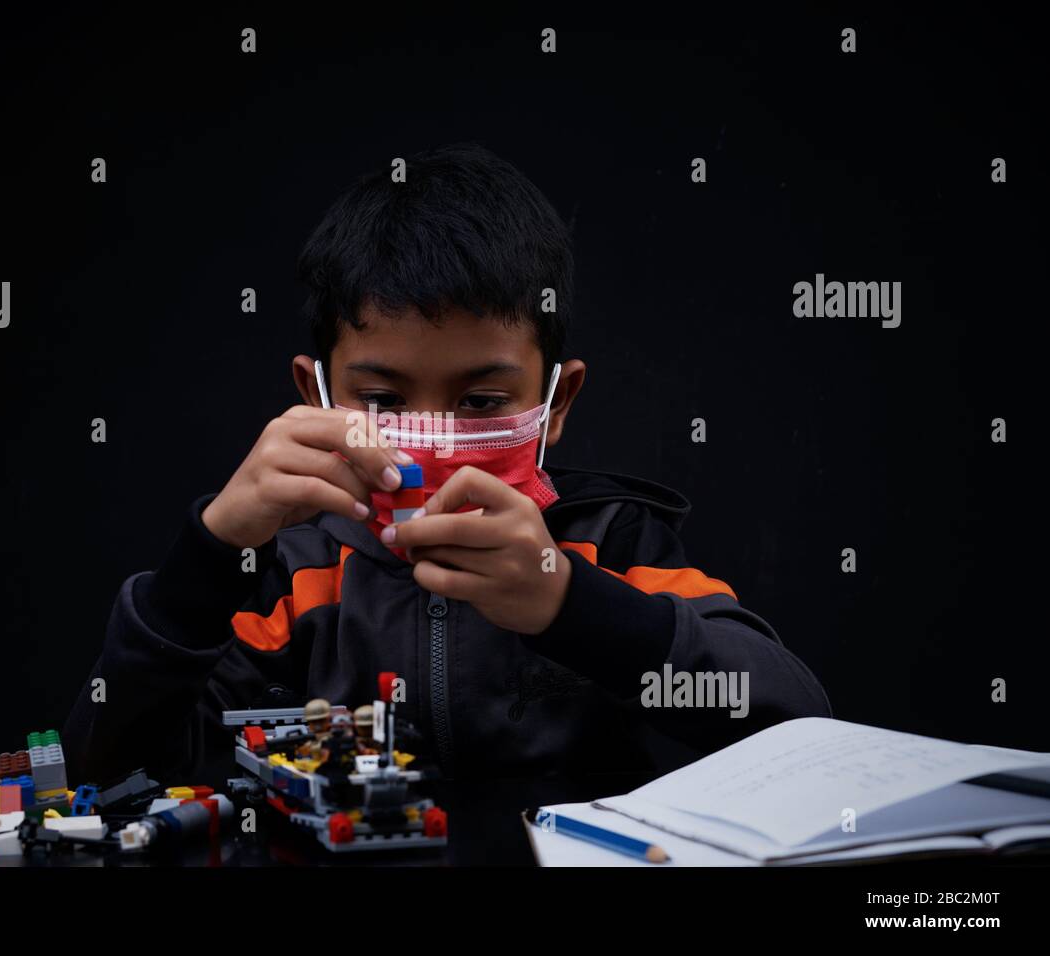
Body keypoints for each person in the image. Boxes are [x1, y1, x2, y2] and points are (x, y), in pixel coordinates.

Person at [63, 141, 832, 788]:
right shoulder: (287, 573)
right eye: (383, 401)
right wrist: (209, 551)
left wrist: (571, 604)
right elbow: (107, 773)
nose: (430, 437)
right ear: (315, 394)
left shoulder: (612, 544)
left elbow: (801, 724)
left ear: (555, 404)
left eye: (482, 401)